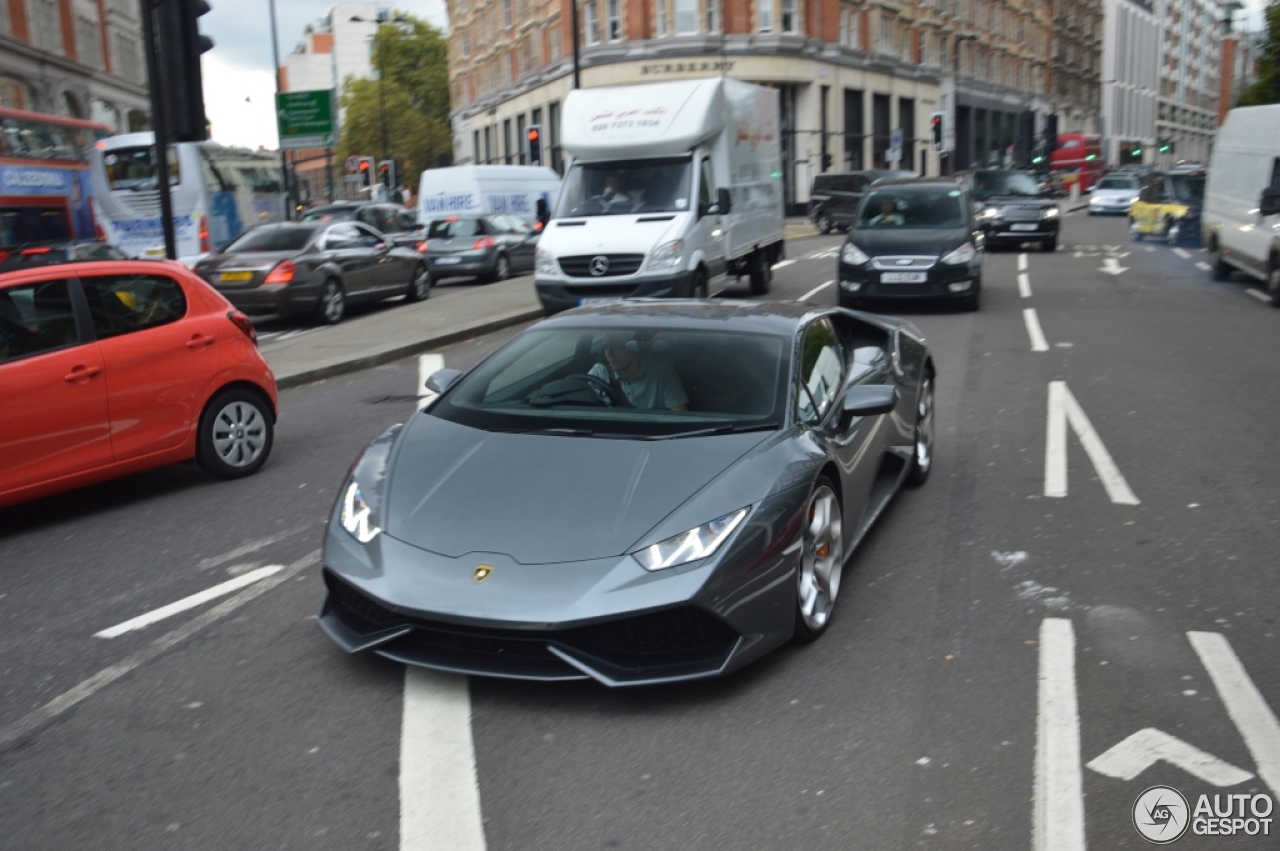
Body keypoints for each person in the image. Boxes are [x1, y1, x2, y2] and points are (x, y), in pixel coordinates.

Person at [588, 332, 688, 411]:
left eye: (616, 346)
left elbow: (680, 416)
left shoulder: (664, 373)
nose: (609, 353)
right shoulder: (599, 373)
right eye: (606, 347)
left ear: (634, 348)